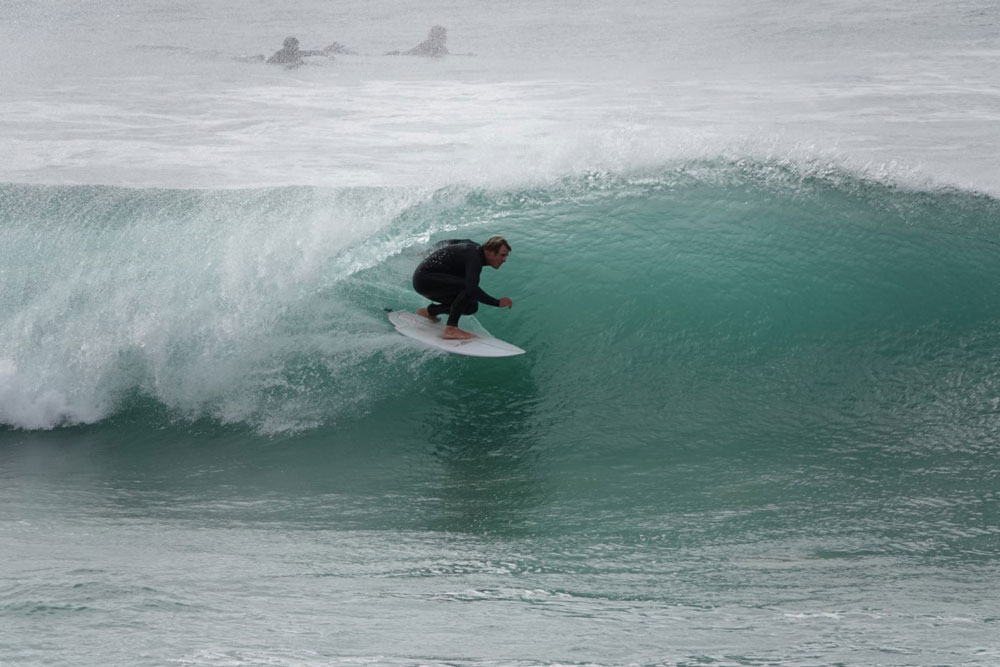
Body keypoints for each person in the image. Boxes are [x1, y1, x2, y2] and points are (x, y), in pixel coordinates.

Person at [412, 237, 513, 340]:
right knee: (467, 286)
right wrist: (497, 302)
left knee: (471, 306)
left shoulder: (473, 247)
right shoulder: (475, 257)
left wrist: (428, 251)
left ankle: (429, 312)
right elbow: (471, 288)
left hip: (429, 280)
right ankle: (451, 329)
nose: (504, 260)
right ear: (490, 251)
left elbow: (451, 242)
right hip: (424, 280)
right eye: (502, 255)